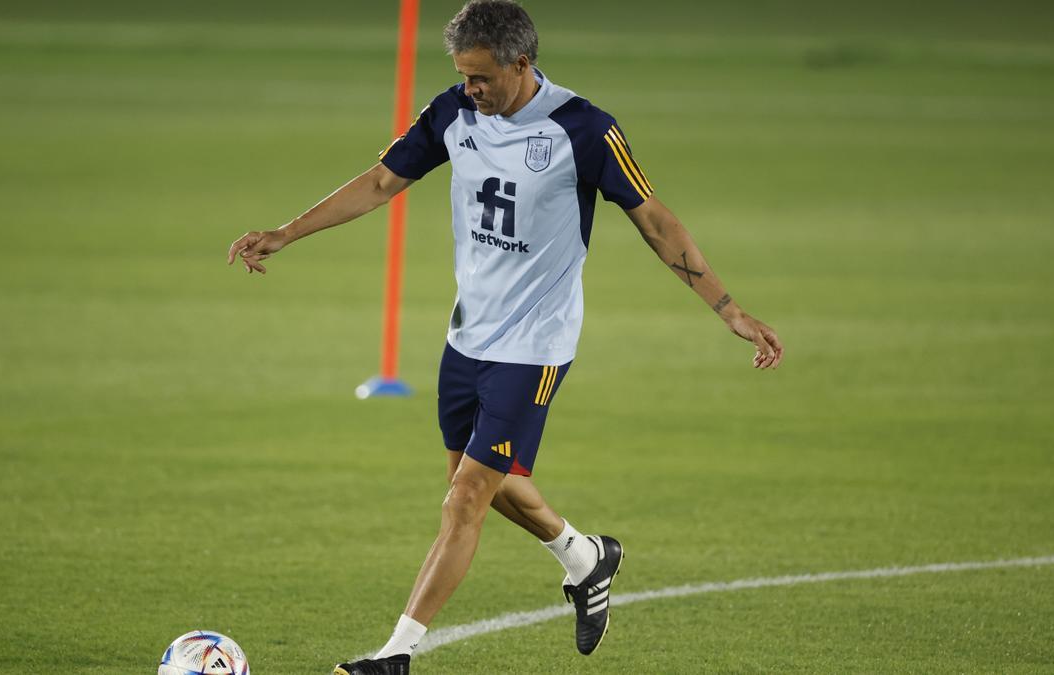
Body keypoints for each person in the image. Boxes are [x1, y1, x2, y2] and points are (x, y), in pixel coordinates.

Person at [227, 1, 784, 673]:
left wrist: (727, 308)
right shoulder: (453, 113)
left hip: (536, 346)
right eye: (463, 75)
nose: (471, 89)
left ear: (522, 64)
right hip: (467, 337)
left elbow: (657, 222)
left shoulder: (584, 129)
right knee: (483, 486)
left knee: (464, 498)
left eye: (482, 77)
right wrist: (284, 233)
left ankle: (395, 655)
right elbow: (380, 182)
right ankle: (586, 555)